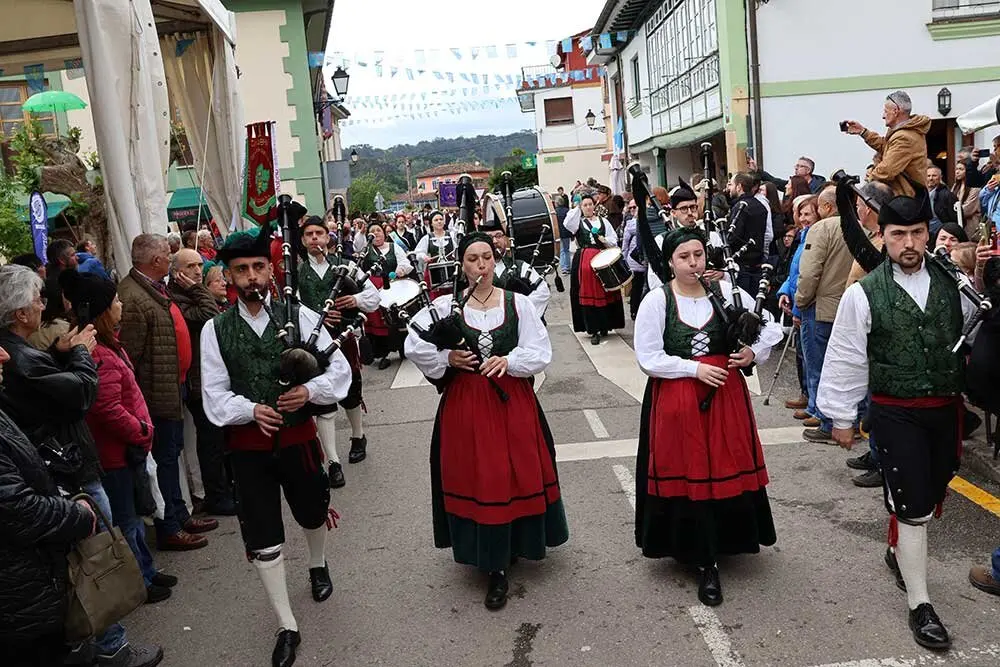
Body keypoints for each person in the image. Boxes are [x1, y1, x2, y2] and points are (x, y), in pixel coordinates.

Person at [817, 187, 980, 651]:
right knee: (913, 508)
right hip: (893, 412)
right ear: (882, 237)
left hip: (944, 412)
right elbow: (846, 356)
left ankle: (896, 552)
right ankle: (921, 605)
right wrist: (841, 416)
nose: (908, 243)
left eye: (916, 232)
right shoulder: (864, 294)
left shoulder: (955, 282)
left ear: (928, 233)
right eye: (897, 234)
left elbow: (972, 331)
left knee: (931, 491)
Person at [200, 221, 352, 667]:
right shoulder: (215, 330)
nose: (251, 277)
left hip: (299, 439)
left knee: (311, 511)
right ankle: (287, 624)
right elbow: (214, 394)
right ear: (228, 275)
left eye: (258, 267)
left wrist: (309, 392)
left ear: (270, 270)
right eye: (241, 269)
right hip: (248, 449)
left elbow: (338, 371)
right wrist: (249, 410)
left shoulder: (300, 315)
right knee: (263, 534)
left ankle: (318, 562)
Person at [0, 265, 163, 667]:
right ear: (20, 313)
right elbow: (80, 395)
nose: (45, 304)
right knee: (96, 558)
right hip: (65, 476)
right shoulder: (17, 356)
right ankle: (111, 646)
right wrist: (79, 356)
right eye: (38, 299)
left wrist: (59, 354)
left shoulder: (21, 352)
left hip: (60, 472)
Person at [403, 232, 567, 611]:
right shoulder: (447, 305)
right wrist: (448, 360)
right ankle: (493, 565)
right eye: (473, 259)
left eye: (487, 258)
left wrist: (510, 361)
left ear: (496, 261)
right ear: (462, 265)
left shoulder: (518, 303)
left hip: (513, 402)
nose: (481, 265)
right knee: (481, 476)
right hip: (466, 404)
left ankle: (518, 543)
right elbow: (413, 344)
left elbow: (539, 351)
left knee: (513, 472)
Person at [633, 227, 782, 606]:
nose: (693, 263)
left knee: (723, 466)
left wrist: (751, 354)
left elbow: (769, 328)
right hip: (678, 399)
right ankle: (701, 555)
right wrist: (693, 369)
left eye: (698, 254)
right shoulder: (657, 301)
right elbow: (648, 357)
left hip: (725, 397)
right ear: (670, 261)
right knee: (691, 471)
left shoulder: (727, 291)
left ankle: (728, 542)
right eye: (684, 257)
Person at [62, 270, 178, 604]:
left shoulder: (108, 345)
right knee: (127, 521)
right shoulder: (98, 354)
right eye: (115, 300)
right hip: (116, 455)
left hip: (126, 450)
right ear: (101, 309)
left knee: (135, 517)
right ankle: (139, 580)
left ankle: (147, 570)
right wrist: (140, 430)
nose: (121, 304)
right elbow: (107, 408)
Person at [0, 344, 100, 666]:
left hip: (27, 592)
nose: (4, 354)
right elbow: (17, 510)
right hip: (18, 602)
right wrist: (78, 514)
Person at [118, 234, 217, 551]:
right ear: (155, 260)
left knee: (171, 457)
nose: (168, 257)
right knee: (163, 461)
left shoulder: (153, 288)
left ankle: (179, 513)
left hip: (171, 388)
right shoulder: (133, 297)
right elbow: (130, 356)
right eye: (165, 254)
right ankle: (169, 526)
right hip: (155, 395)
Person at [297, 216, 381, 488]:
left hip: (344, 337)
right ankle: (332, 461)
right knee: (323, 397)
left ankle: (358, 436)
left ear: (327, 237)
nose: (314, 238)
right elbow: (292, 307)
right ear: (302, 240)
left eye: (318, 233)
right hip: (315, 342)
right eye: (308, 234)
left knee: (352, 390)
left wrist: (354, 299)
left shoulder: (345, 266)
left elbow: (374, 297)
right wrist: (316, 316)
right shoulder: (296, 274)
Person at [167, 249, 235, 516]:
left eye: (199, 264)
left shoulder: (188, 294)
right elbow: (209, 315)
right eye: (191, 265)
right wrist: (198, 291)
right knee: (210, 440)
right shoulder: (179, 296)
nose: (198, 270)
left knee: (219, 437)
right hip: (197, 380)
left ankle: (225, 487)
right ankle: (216, 495)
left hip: (208, 374)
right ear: (177, 272)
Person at [795, 185, 858, 443]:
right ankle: (855, 419)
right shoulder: (860, 227)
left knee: (821, 366)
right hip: (850, 305)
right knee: (849, 367)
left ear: (828, 207)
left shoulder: (822, 229)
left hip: (821, 308)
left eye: (819, 207)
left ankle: (827, 421)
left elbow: (809, 272)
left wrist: (801, 300)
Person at [776, 195, 819, 417]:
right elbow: (794, 271)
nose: (803, 218)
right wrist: (784, 290)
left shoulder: (817, 238)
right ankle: (806, 394)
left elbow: (809, 274)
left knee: (812, 357)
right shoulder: (802, 237)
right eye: (800, 214)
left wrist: (798, 308)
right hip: (798, 301)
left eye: (807, 214)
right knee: (802, 355)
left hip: (808, 305)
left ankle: (815, 404)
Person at [844, 90, 930, 197]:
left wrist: (868, 181)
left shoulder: (904, 137)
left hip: (905, 201)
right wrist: (862, 132)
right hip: (905, 199)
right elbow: (885, 146)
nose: (883, 116)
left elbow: (887, 170)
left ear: (896, 111)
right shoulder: (903, 133)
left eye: (885, 111)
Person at [565, 193, 625, 345]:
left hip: (603, 256)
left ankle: (606, 325)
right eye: (584, 205)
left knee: (607, 290)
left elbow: (613, 239)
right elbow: (567, 222)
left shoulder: (603, 221)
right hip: (586, 259)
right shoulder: (577, 223)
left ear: (594, 206)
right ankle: (594, 329)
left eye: (590, 204)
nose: (588, 207)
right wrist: (577, 207)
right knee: (590, 292)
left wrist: (606, 242)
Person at [357, 222, 414, 370]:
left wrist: (400, 270)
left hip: (393, 286)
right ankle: (383, 354)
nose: (376, 233)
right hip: (373, 289)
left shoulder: (394, 247)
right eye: (372, 232)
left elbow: (404, 262)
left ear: (384, 233)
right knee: (378, 321)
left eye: (378, 230)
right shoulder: (366, 250)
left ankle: (403, 348)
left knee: (397, 318)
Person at [476, 215, 551, 319]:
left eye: (498, 236)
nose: (494, 241)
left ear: (506, 239)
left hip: (523, 327)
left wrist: (517, 307)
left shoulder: (521, 266)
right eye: (489, 237)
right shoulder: (476, 270)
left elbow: (543, 293)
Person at [726, 173, 770, 294]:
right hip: (757, 262)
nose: (729, 188)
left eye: (731, 184)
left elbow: (734, 236)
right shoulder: (760, 206)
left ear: (739, 187)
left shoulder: (741, 207)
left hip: (741, 264)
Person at [414, 211, 457, 298]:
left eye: (441, 219)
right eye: (436, 220)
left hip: (450, 270)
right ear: (431, 223)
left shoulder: (451, 236)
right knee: (436, 297)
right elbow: (418, 253)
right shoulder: (427, 238)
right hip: (433, 273)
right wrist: (424, 257)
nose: (439, 221)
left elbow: (458, 249)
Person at [621, 199, 647, 319]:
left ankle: (636, 310)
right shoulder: (630, 223)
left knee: (639, 286)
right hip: (635, 261)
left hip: (642, 259)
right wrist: (625, 261)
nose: (632, 210)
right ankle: (635, 310)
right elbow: (625, 245)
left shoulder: (640, 221)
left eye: (634, 207)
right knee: (637, 287)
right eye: (630, 208)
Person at [952, 159, 982, 241]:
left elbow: (967, 210)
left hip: (970, 226)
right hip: (958, 224)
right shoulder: (955, 186)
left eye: (961, 169)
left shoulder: (975, 189)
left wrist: (952, 211)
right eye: (956, 169)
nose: (957, 172)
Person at [926, 165, 957, 235]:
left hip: (942, 234)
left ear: (940, 177)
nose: (931, 178)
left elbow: (955, 219)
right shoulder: (922, 194)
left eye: (934, 176)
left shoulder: (947, 195)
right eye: (928, 176)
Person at [555, 194, 571, 274]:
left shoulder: (555, 212)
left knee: (561, 251)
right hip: (566, 233)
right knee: (566, 250)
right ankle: (567, 266)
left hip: (558, 233)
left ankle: (563, 267)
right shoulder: (567, 211)